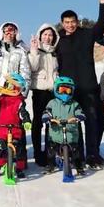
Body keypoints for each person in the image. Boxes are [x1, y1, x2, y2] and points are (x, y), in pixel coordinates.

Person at [55, 0, 104, 169]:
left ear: (77, 21)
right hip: (68, 89)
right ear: (62, 23)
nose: (70, 24)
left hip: (88, 86)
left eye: (72, 21)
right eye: (66, 22)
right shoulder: (58, 40)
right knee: (73, 124)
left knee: (91, 121)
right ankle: (76, 156)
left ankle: (93, 155)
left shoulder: (87, 35)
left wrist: (102, 3)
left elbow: (101, 24)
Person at [0, 22, 30, 143]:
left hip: (14, 92)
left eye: (12, 31)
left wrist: (23, 93)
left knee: (17, 122)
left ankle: (19, 155)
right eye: (6, 31)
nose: (9, 33)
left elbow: (25, 73)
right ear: (2, 33)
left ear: (16, 33)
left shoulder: (21, 51)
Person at [0, 73, 32, 179]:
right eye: (9, 86)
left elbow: (23, 113)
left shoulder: (19, 101)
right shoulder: (1, 98)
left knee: (19, 150)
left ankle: (19, 168)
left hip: (15, 129)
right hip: (2, 129)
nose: (10, 89)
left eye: (14, 87)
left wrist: (26, 121)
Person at [41, 76, 86, 176]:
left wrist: (79, 116)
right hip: (56, 133)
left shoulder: (74, 104)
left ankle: (79, 167)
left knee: (75, 152)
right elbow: (47, 111)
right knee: (51, 150)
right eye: (62, 90)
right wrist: (46, 117)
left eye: (68, 90)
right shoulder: (52, 103)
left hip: (71, 133)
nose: (65, 93)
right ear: (56, 89)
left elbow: (80, 111)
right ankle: (50, 165)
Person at [28, 24, 59, 166]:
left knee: (51, 122)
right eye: (45, 34)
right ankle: (37, 152)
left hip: (53, 91)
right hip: (40, 91)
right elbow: (32, 68)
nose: (48, 37)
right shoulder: (35, 50)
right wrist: (34, 51)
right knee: (38, 122)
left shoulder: (54, 52)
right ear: (40, 36)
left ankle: (49, 151)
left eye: (50, 35)